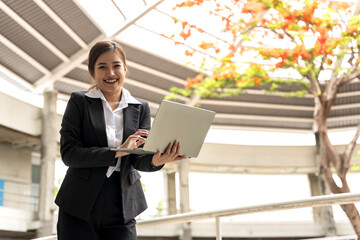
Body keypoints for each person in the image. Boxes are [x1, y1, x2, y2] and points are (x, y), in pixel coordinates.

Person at [55, 40, 186, 240]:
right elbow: (69, 154)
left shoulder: (140, 107)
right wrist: (117, 151)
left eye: (116, 66)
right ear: (93, 72)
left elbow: (137, 158)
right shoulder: (79, 101)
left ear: (125, 69)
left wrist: (156, 161)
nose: (111, 73)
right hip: (79, 202)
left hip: (123, 203)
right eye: (102, 67)